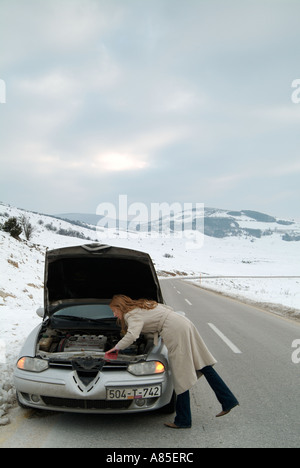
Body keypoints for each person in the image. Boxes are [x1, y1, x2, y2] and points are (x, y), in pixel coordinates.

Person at [107, 295, 239, 429]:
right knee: (202, 364)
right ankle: (228, 400)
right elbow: (167, 308)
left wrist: (116, 348)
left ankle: (183, 420)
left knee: (180, 374)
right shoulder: (143, 305)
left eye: (114, 311)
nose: (114, 314)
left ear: (120, 307)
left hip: (174, 330)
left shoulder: (130, 315)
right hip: (183, 323)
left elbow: (132, 335)